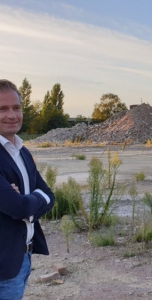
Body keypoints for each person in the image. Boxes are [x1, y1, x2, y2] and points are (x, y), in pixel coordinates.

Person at [0, 79, 55, 299]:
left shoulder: (22, 152)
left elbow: (50, 196)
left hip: (21, 257)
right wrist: (27, 200)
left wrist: (26, 199)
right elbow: (19, 208)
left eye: (16, 108)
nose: (12, 115)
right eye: (2, 109)